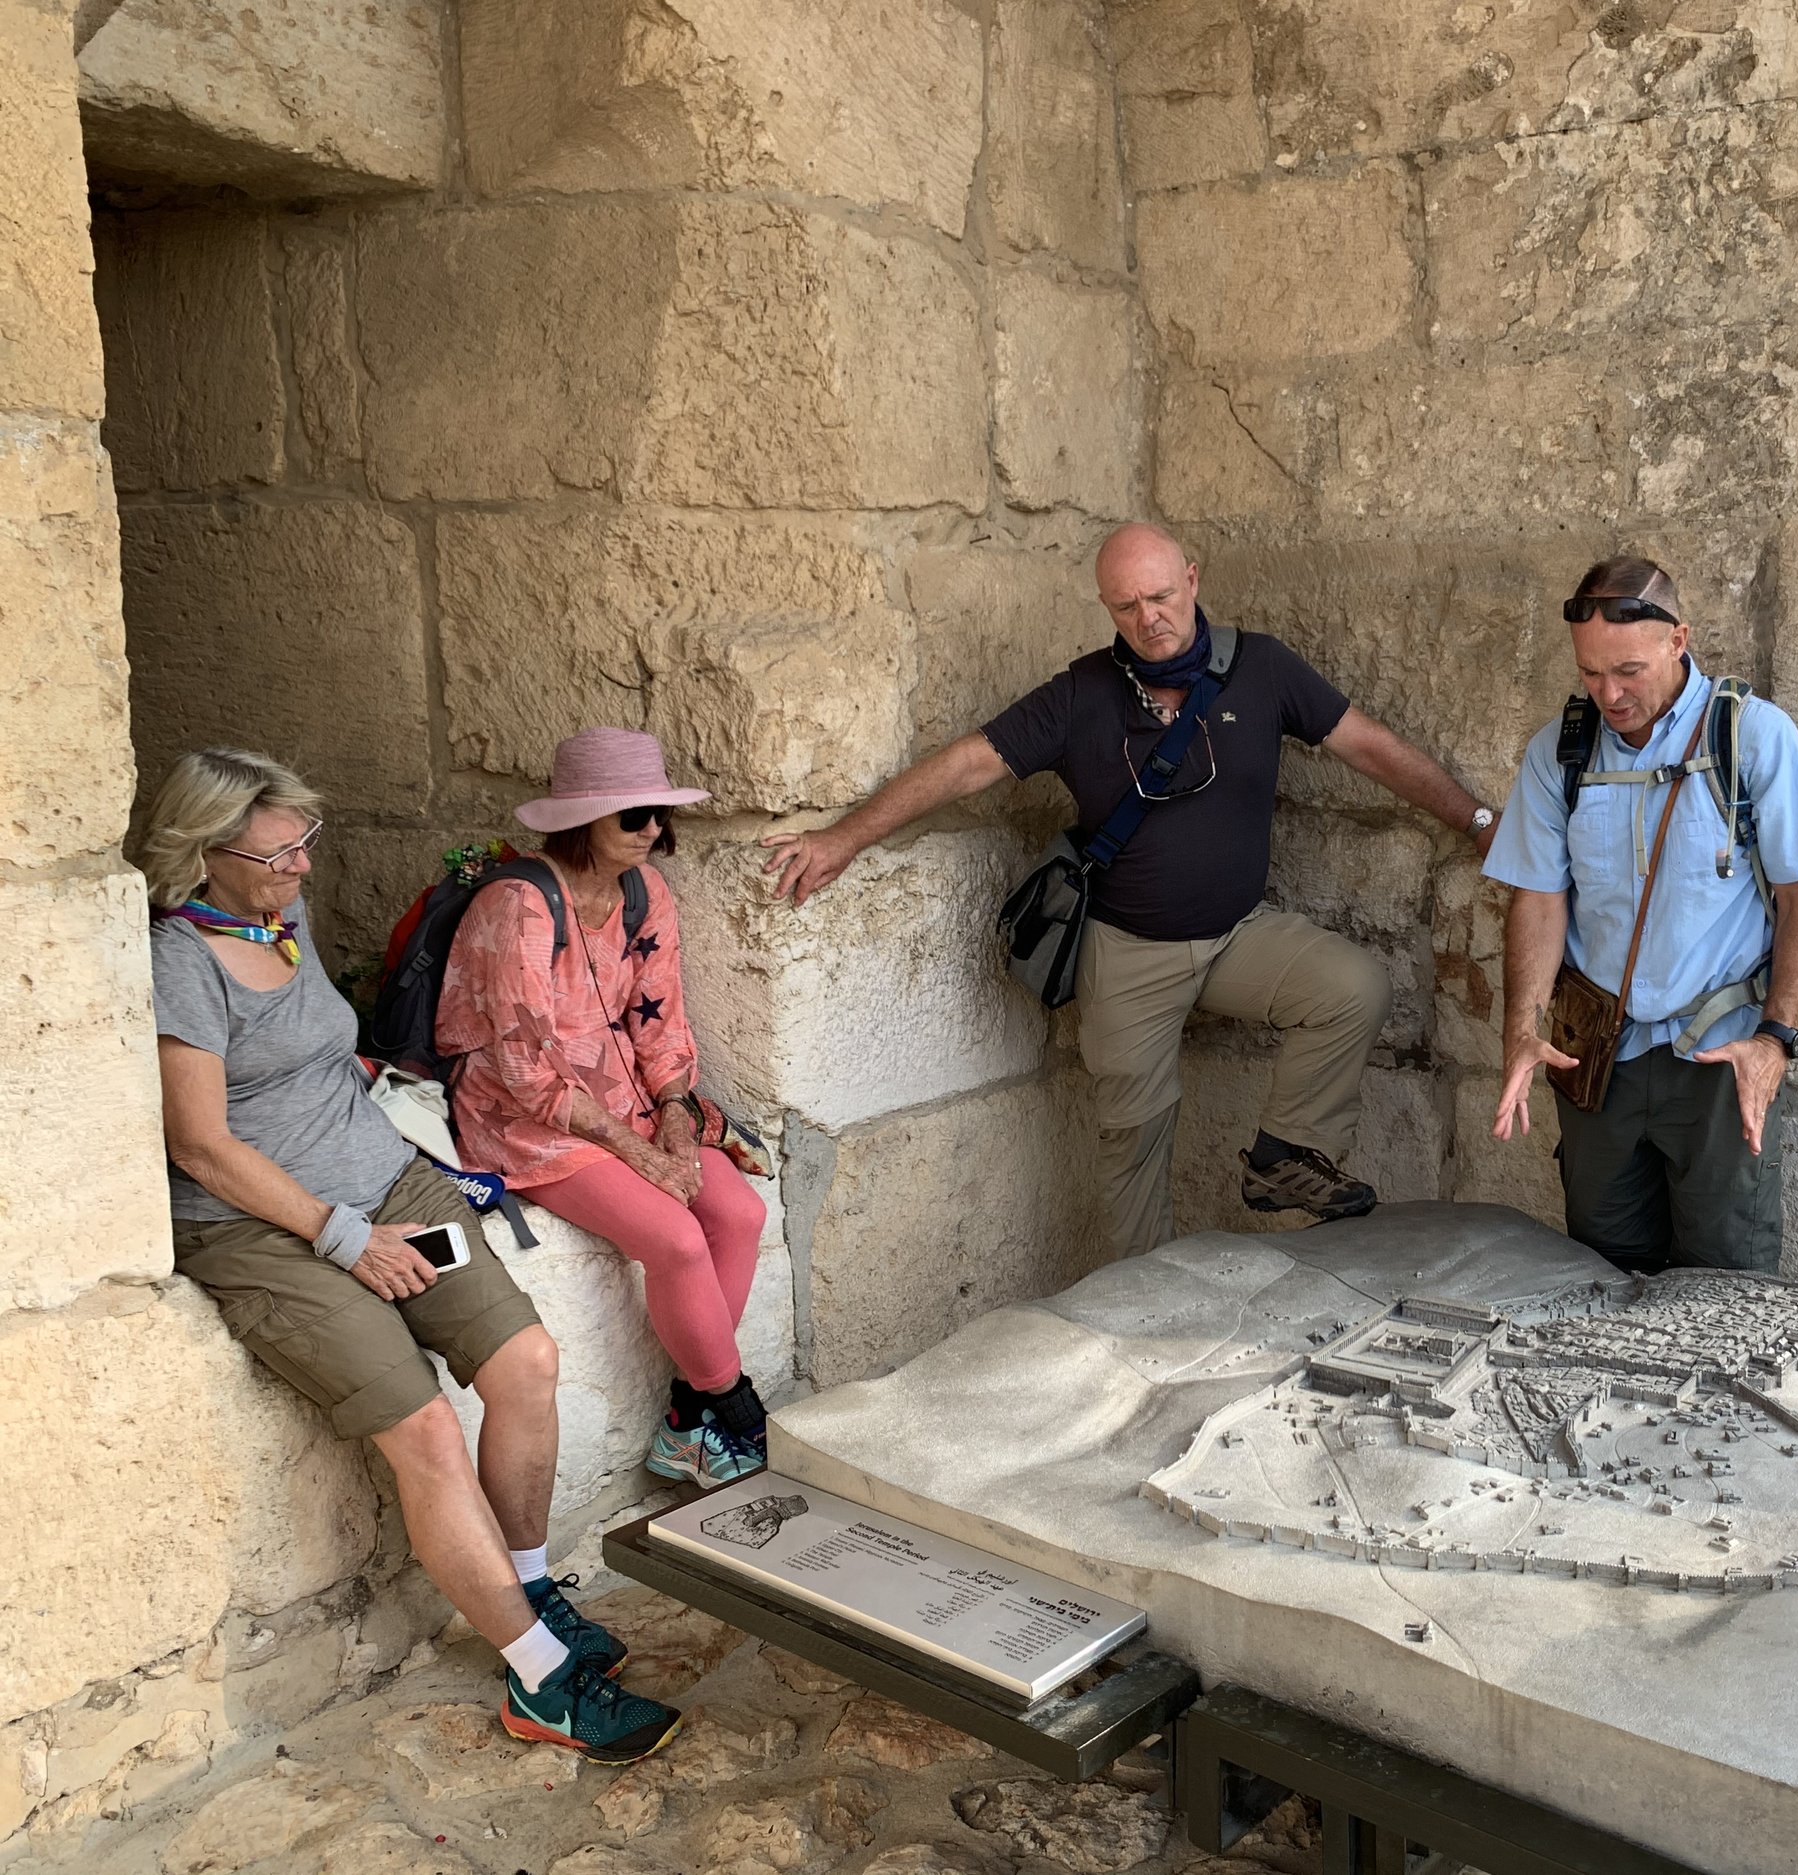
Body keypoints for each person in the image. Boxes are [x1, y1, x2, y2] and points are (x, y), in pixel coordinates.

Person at [761, 521, 1501, 1261]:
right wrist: (844, 837)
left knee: (1353, 986)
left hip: (1239, 933)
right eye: (1125, 606)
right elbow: (966, 765)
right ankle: (1146, 1305)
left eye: (1159, 595)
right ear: (1107, 609)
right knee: (1133, 1140)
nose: (1148, 617)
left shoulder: (1263, 669)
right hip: (1127, 950)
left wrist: (1474, 819)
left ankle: (1284, 1159)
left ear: (1192, 579)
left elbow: (1369, 746)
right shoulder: (1082, 693)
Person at [141, 749, 679, 1764]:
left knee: (525, 1362)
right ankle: (539, 1681)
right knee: (426, 1428)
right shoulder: (180, 961)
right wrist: (343, 1239)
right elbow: (200, 1142)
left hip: (390, 1179)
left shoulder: (274, 917)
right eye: (278, 852)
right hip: (264, 1231)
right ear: (201, 852)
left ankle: (526, 1585)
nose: (303, 867)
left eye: (307, 843)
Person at [1484, 556, 1798, 1276]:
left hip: (1718, 1056)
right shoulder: (1558, 753)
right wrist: (1523, 1032)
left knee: (1725, 1280)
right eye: (1591, 673)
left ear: (1677, 640)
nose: (1610, 694)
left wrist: (1776, 1038)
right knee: (1599, 1269)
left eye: (1628, 670)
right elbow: (1537, 897)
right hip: (1600, 1059)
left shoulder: (1750, 736)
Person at [438, 727, 770, 1487]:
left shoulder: (644, 891)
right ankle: (737, 1409)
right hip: (529, 1123)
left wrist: (678, 1116)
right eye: (635, 815)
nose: (653, 829)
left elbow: (662, 1023)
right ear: (582, 818)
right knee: (676, 1238)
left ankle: (687, 1422)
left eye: (660, 812)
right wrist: (643, 1154)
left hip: (628, 1103)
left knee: (740, 1214)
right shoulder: (515, 905)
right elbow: (528, 1074)